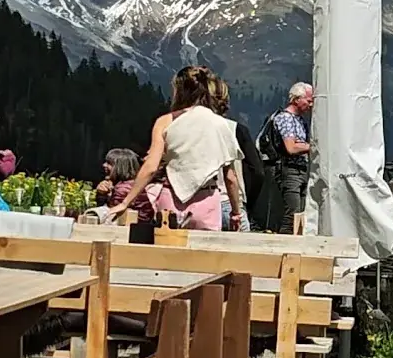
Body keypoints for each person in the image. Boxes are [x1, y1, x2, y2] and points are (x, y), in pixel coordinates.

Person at [106, 66, 242, 230]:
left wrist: (125, 202)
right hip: (207, 200)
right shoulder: (220, 124)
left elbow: (150, 167)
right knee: (204, 253)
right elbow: (230, 177)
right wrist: (236, 213)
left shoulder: (166, 121)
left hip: (171, 197)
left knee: (166, 251)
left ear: (180, 90)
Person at [207, 75, 265, 231]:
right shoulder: (235, 129)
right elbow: (257, 172)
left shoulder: (187, 127)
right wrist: (246, 202)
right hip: (230, 203)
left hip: (198, 205)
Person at [257, 81, 312, 234]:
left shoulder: (300, 120)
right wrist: (313, 147)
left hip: (301, 169)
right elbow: (291, 147)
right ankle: (285, 246)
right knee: (291, 215)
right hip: (289, 170)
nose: (311, 104)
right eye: (308, 100)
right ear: (296, 99)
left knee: (299, 215)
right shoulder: (285, 119)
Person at [95, 148, 154, 223]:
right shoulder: (131, 184)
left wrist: (103, 196)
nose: (104, 165)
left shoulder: (123, 189)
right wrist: (101, 193)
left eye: (109, 163)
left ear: (120, 167)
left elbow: (109, 215)